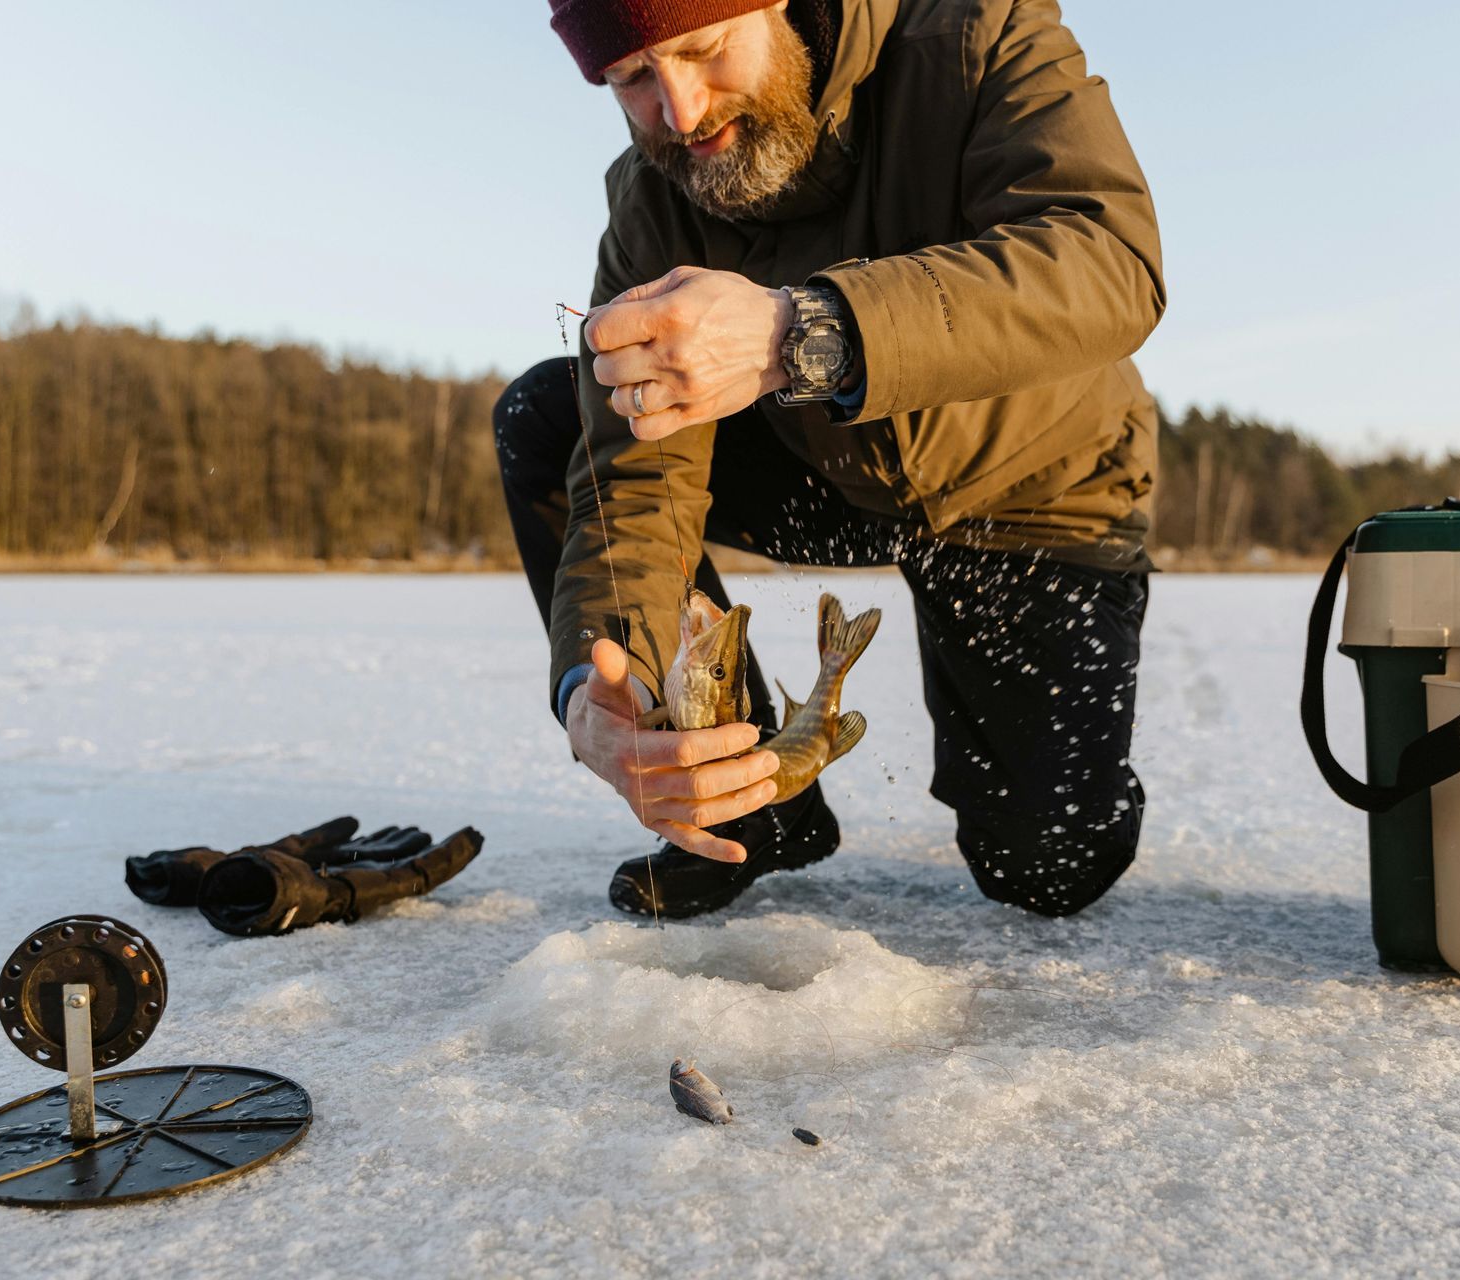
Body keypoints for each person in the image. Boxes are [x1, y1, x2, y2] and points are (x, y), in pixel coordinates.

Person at [496, 0, 1165, 919]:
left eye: (700, 50)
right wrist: (597, 680)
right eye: (631, 80)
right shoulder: (650, 203)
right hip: (828, 474)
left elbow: (1108, 259)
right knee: (553, 412)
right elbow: (636, 480)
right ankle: (761, 802)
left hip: (1033, 495)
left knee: (1047, 870)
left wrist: (801, 333)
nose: (680, 110)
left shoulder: (975, 35)